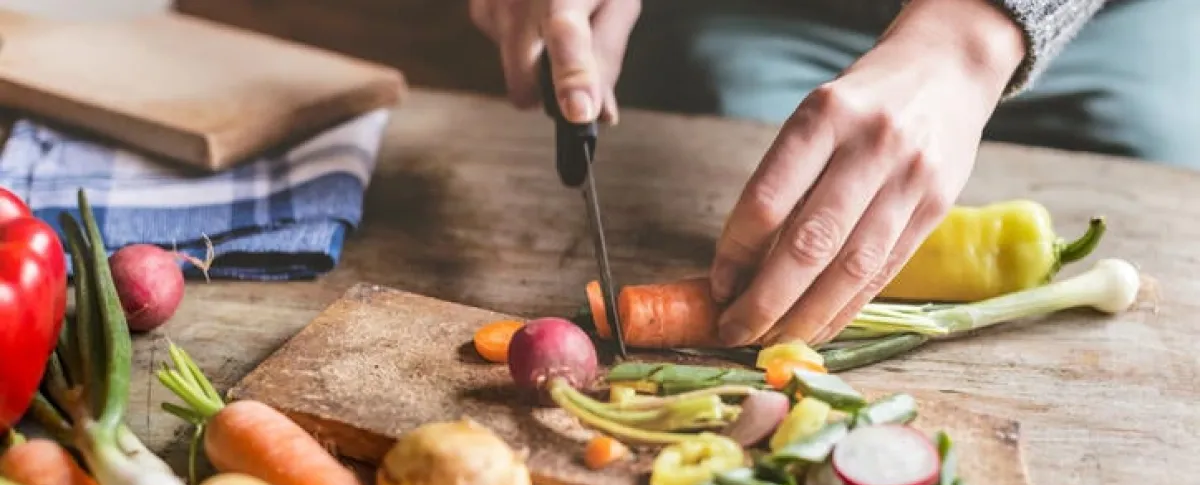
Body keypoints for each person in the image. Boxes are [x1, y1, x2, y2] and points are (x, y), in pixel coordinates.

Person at [468, 0, 1198, 347]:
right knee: (742, 152)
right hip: (773, 16)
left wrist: (970, 35)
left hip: (1105, 23)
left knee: (1154, 144)